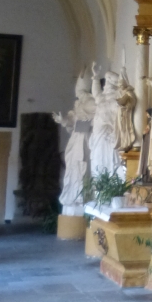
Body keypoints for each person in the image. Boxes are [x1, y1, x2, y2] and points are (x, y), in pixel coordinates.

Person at [53, 69, 96, 212]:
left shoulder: (90, 102)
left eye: (78, 87)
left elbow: (98, 117)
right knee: (72, 166)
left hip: (84, 138)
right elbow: (72, 120)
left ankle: (81, 196)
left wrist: (88, 123)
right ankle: (72, 195)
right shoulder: (78, 104)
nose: (76, 90)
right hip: (76, 138)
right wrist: (63, 120)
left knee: (81, 166)